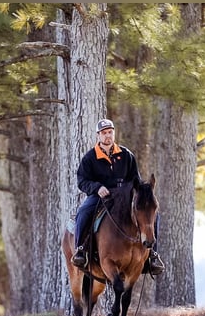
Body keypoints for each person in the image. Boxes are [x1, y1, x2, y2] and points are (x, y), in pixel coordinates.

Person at [71, 118, 165, 275]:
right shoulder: (90, 158)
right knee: (83, 212)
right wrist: (96, 187)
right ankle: (80, 250)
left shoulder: (127, 155)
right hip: (101, 196)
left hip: (125, 198)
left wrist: (142, 190)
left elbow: (135, 178)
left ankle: (153, 255)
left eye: (110, 132)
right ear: (98, 136)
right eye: (104, 133)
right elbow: (82, 181)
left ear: (113, 133)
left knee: (153, 216)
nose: (107, 136)